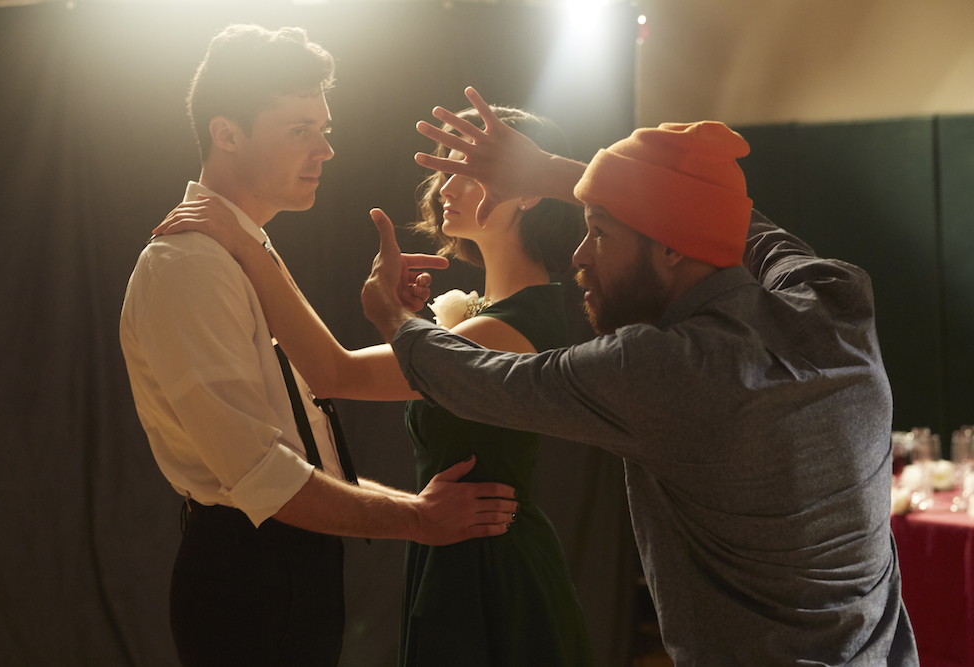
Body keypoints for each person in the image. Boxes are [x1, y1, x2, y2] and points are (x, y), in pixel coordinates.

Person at [358, 87, 920, 665]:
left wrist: (394, 319)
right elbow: (731, 218)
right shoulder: (834, 298)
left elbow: (479, 380)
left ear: (671, 249)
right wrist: (551, 172)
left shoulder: (660, 370)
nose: (580, 254)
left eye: (600, 231)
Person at [119, 30, 516, 667]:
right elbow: (263, 477)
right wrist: (417, 519)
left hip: (284, 563)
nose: (325, 149)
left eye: (324, 129)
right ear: (226, 134)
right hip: (247, 576)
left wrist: (416, 509)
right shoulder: (189, 264)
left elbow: (302, 443)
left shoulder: (241, 248)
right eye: (300, 129)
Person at [153, 106, 595, 666]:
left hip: (493, 566)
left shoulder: (513, 326)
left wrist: (247, 245)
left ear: (530, 191)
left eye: (467, 171)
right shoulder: (485, 318)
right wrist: (409, 326)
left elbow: (333, 374)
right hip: (457, 546)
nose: (445, 187)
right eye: (445, 170)